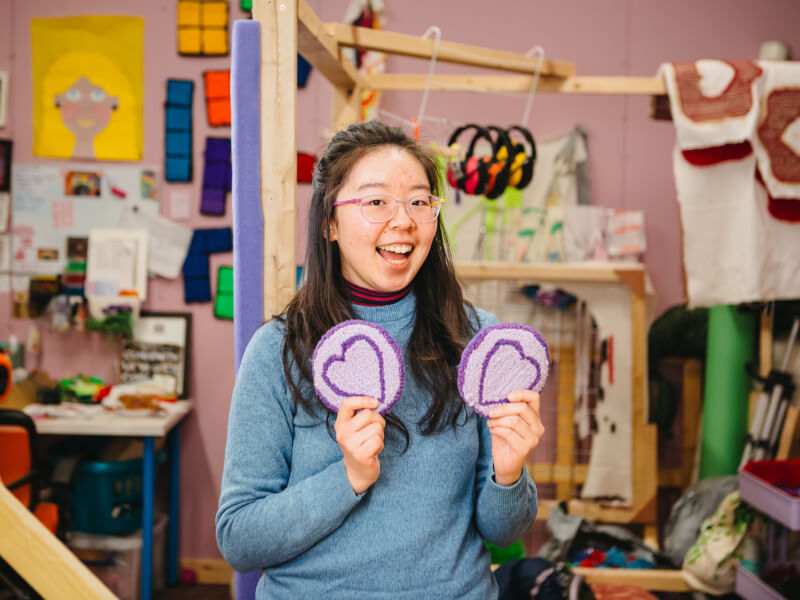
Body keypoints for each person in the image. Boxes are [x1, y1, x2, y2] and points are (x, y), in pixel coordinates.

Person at [216, 120, 545, 599]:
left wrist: (509, 471)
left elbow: (503, 531)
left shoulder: (478, 339)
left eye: (418, 201)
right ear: (329, 221)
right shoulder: (279, 349)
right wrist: (348, 476)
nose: (404, 221)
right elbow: (239, 540)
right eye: (375, 202)